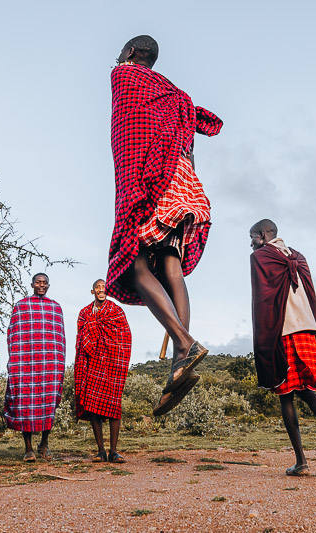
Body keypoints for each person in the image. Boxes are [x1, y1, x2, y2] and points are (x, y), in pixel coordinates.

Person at [105, 35, 223, 416]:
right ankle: (179, 362)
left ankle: (184, 344)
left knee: (135, 265)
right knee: (170, 265)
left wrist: (139, 187)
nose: (117, 57)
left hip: (150, 179)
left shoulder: (125, 77)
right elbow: (187, 140)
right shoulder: (177, 97)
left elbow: (132, 133)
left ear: (132, 54)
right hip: (183, 183)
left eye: (122, 51)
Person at [249, 219, 316, 475]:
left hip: (283, 332)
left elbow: (263, 303)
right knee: (307, 388)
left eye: (253, 238)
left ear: (263, 234)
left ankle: (301, 462)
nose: (251, 244)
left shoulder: (260, 257)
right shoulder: (299, 257)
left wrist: (263, 340)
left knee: (285, 395)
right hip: (308, 332)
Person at [3, 273, 66, 462]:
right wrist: (15, 360)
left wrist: (59, 360)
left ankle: (44, 444)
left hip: (49, 363)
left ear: (48, 285)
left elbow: (59, 336)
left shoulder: (55, 307)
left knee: (49, 402)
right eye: (38, 282)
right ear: (32, 284)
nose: (41, 285)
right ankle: (28, 448)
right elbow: (13, 334)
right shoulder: (21, 306)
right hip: (25, 363)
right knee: (25, 403)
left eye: (44, 283)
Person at [74, 279, 132, 463]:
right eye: (97, 288)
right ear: (92, 292)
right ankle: (101, 451)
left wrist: (112, 353)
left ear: (108, 291)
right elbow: (81, 337)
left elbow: (124, 336)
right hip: (91, 363)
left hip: (112, 363)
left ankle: (114, 451)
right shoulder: (84, 313)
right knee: (93, 407)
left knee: (114, 406)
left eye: (104, 287)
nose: (101, 290)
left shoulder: (116, 311)